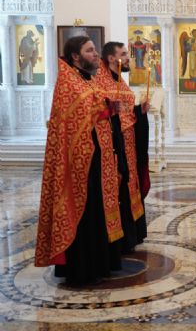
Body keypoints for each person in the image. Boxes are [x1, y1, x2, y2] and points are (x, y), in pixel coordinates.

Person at [35, 36, 124, 285]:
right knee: (83, 214)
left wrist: (109, 108)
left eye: (95, 50)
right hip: (77, 164)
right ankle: (82, 270)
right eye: (90, 51)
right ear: (75, 56)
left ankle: (99, 264)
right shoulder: (68, 82)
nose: (95, 54)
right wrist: (104, 109)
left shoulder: (88, 79)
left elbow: (96, 110)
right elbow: (77, 118)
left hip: (97, 159)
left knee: (96, 212)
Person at [96, 41, 151, 252]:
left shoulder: (117, 79)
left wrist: (139, 111)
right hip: (114, 148)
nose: (128, 58)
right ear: (111, 58)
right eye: (124, 54)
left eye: (127, 53)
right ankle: (121, 239)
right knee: (119, 187)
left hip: (128, 146)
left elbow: (125, 113)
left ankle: (132, 234)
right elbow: (103, 113)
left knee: (130, 185)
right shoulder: (101, 81)